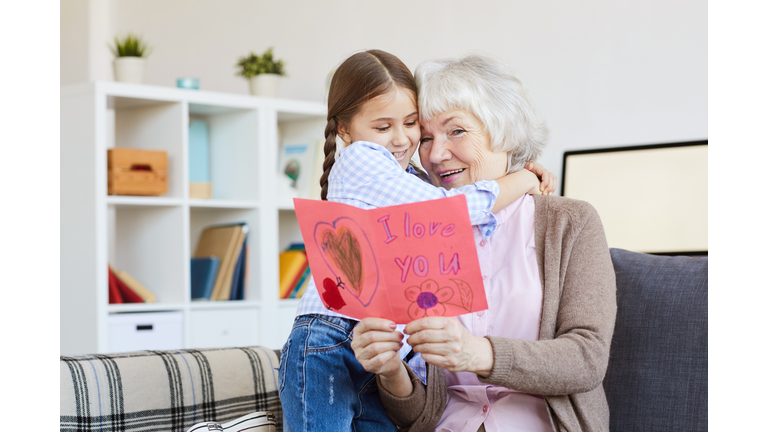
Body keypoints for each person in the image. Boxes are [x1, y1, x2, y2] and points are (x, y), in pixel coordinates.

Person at [278, 50, 557, 432]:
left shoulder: (405, 176)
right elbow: (450, 210)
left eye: (411, 124)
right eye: (382, 127)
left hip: (379, 346)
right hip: (331, 338)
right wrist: (522, 179)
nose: (401, 139)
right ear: (344, 130)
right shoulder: (361, 159)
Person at [351, 54, 617, 432]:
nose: (436, 154)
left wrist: (477, 352)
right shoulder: (418, 234)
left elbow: (586, 359)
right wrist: (391, 369)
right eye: (425, 138)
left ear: (504, 129)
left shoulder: (568, 222)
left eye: (456, 131)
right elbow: (417, 416)